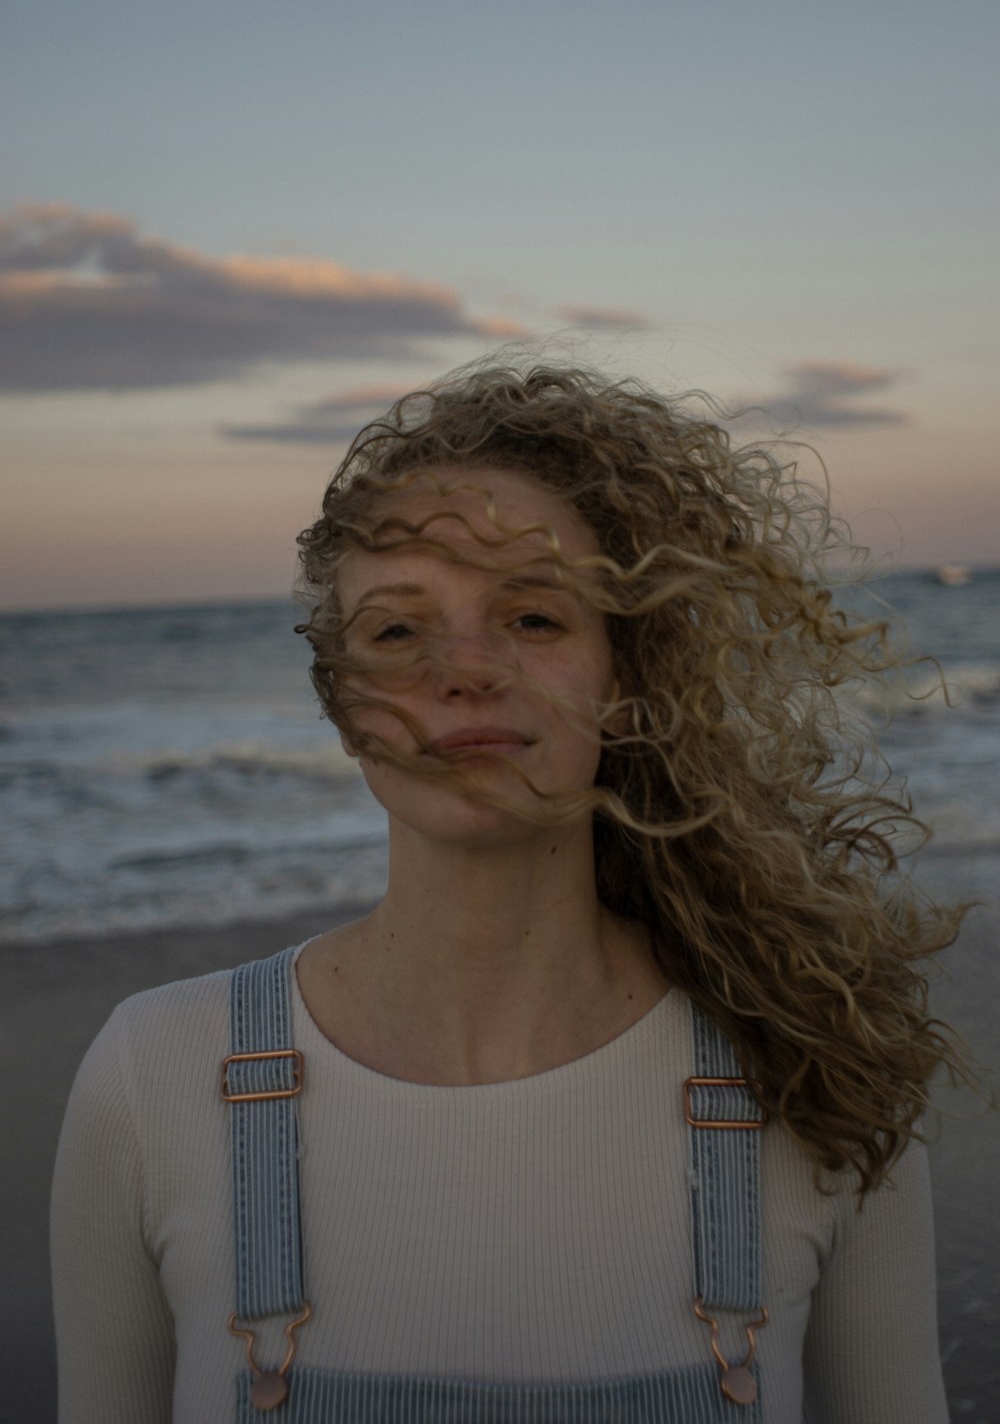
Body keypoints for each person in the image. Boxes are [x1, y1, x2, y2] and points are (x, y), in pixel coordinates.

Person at [51, 362, 964, 1423]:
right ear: (340, 704)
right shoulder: (155, 1077)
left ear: (623, 683)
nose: (465, 668)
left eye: (532, 617)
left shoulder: (808, 1078)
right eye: (397, 630)